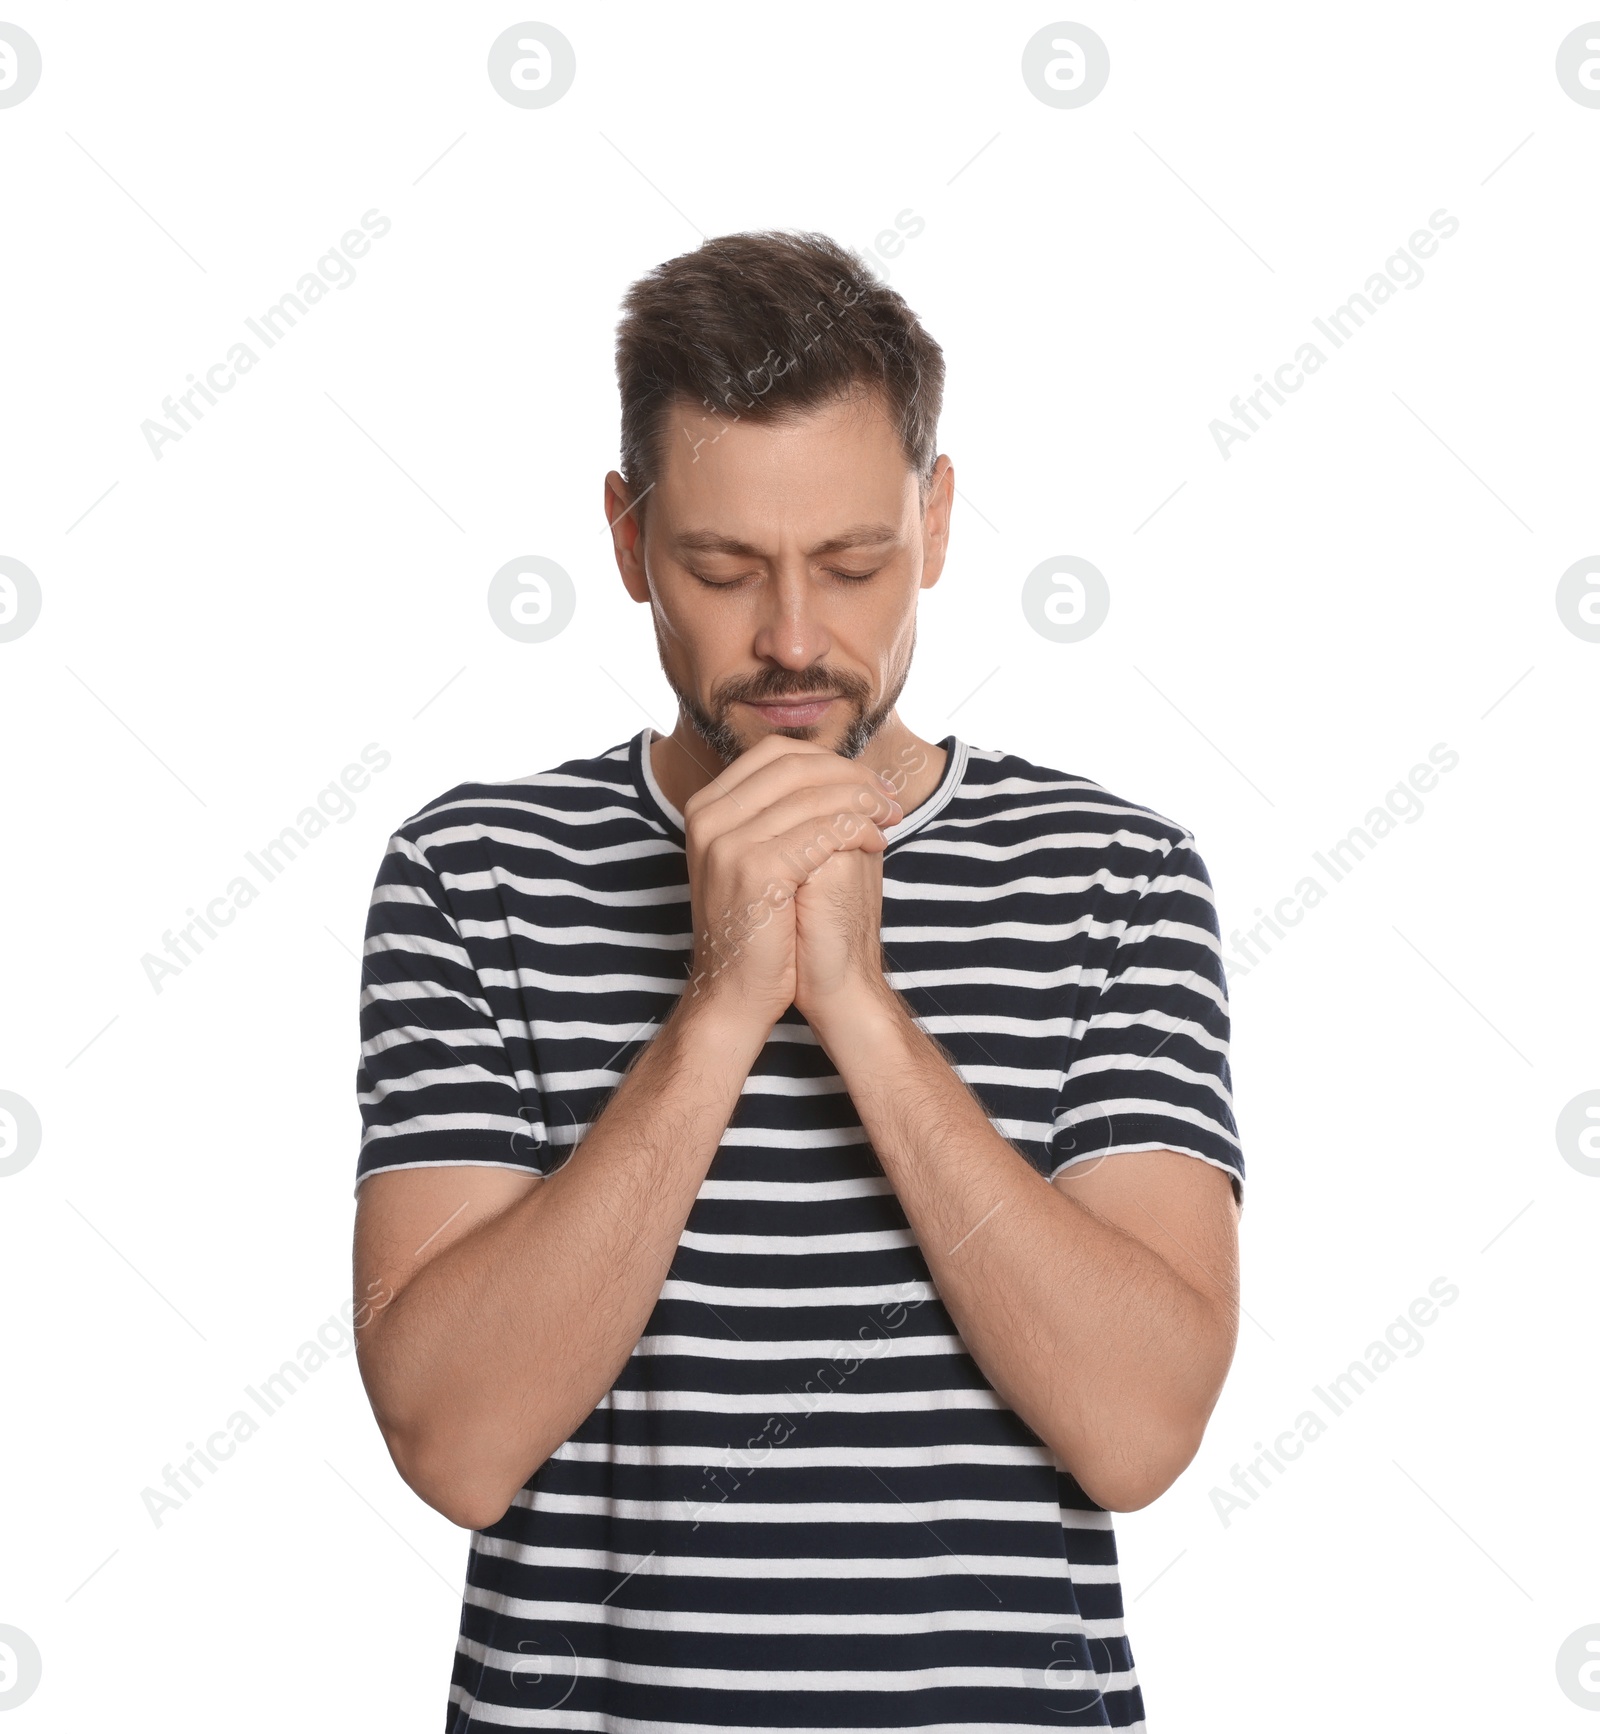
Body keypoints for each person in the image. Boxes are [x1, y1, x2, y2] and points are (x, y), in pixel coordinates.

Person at [351, 229, 1243, 1731]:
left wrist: (859, 1009)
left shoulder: (1119, 873)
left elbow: (1137, 1430)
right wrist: (717, 1008)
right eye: (721, 566)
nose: (792, 638)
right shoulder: (471, 870)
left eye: (851, 563)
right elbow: (456, 1441)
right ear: (630, 540)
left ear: (938, 520)